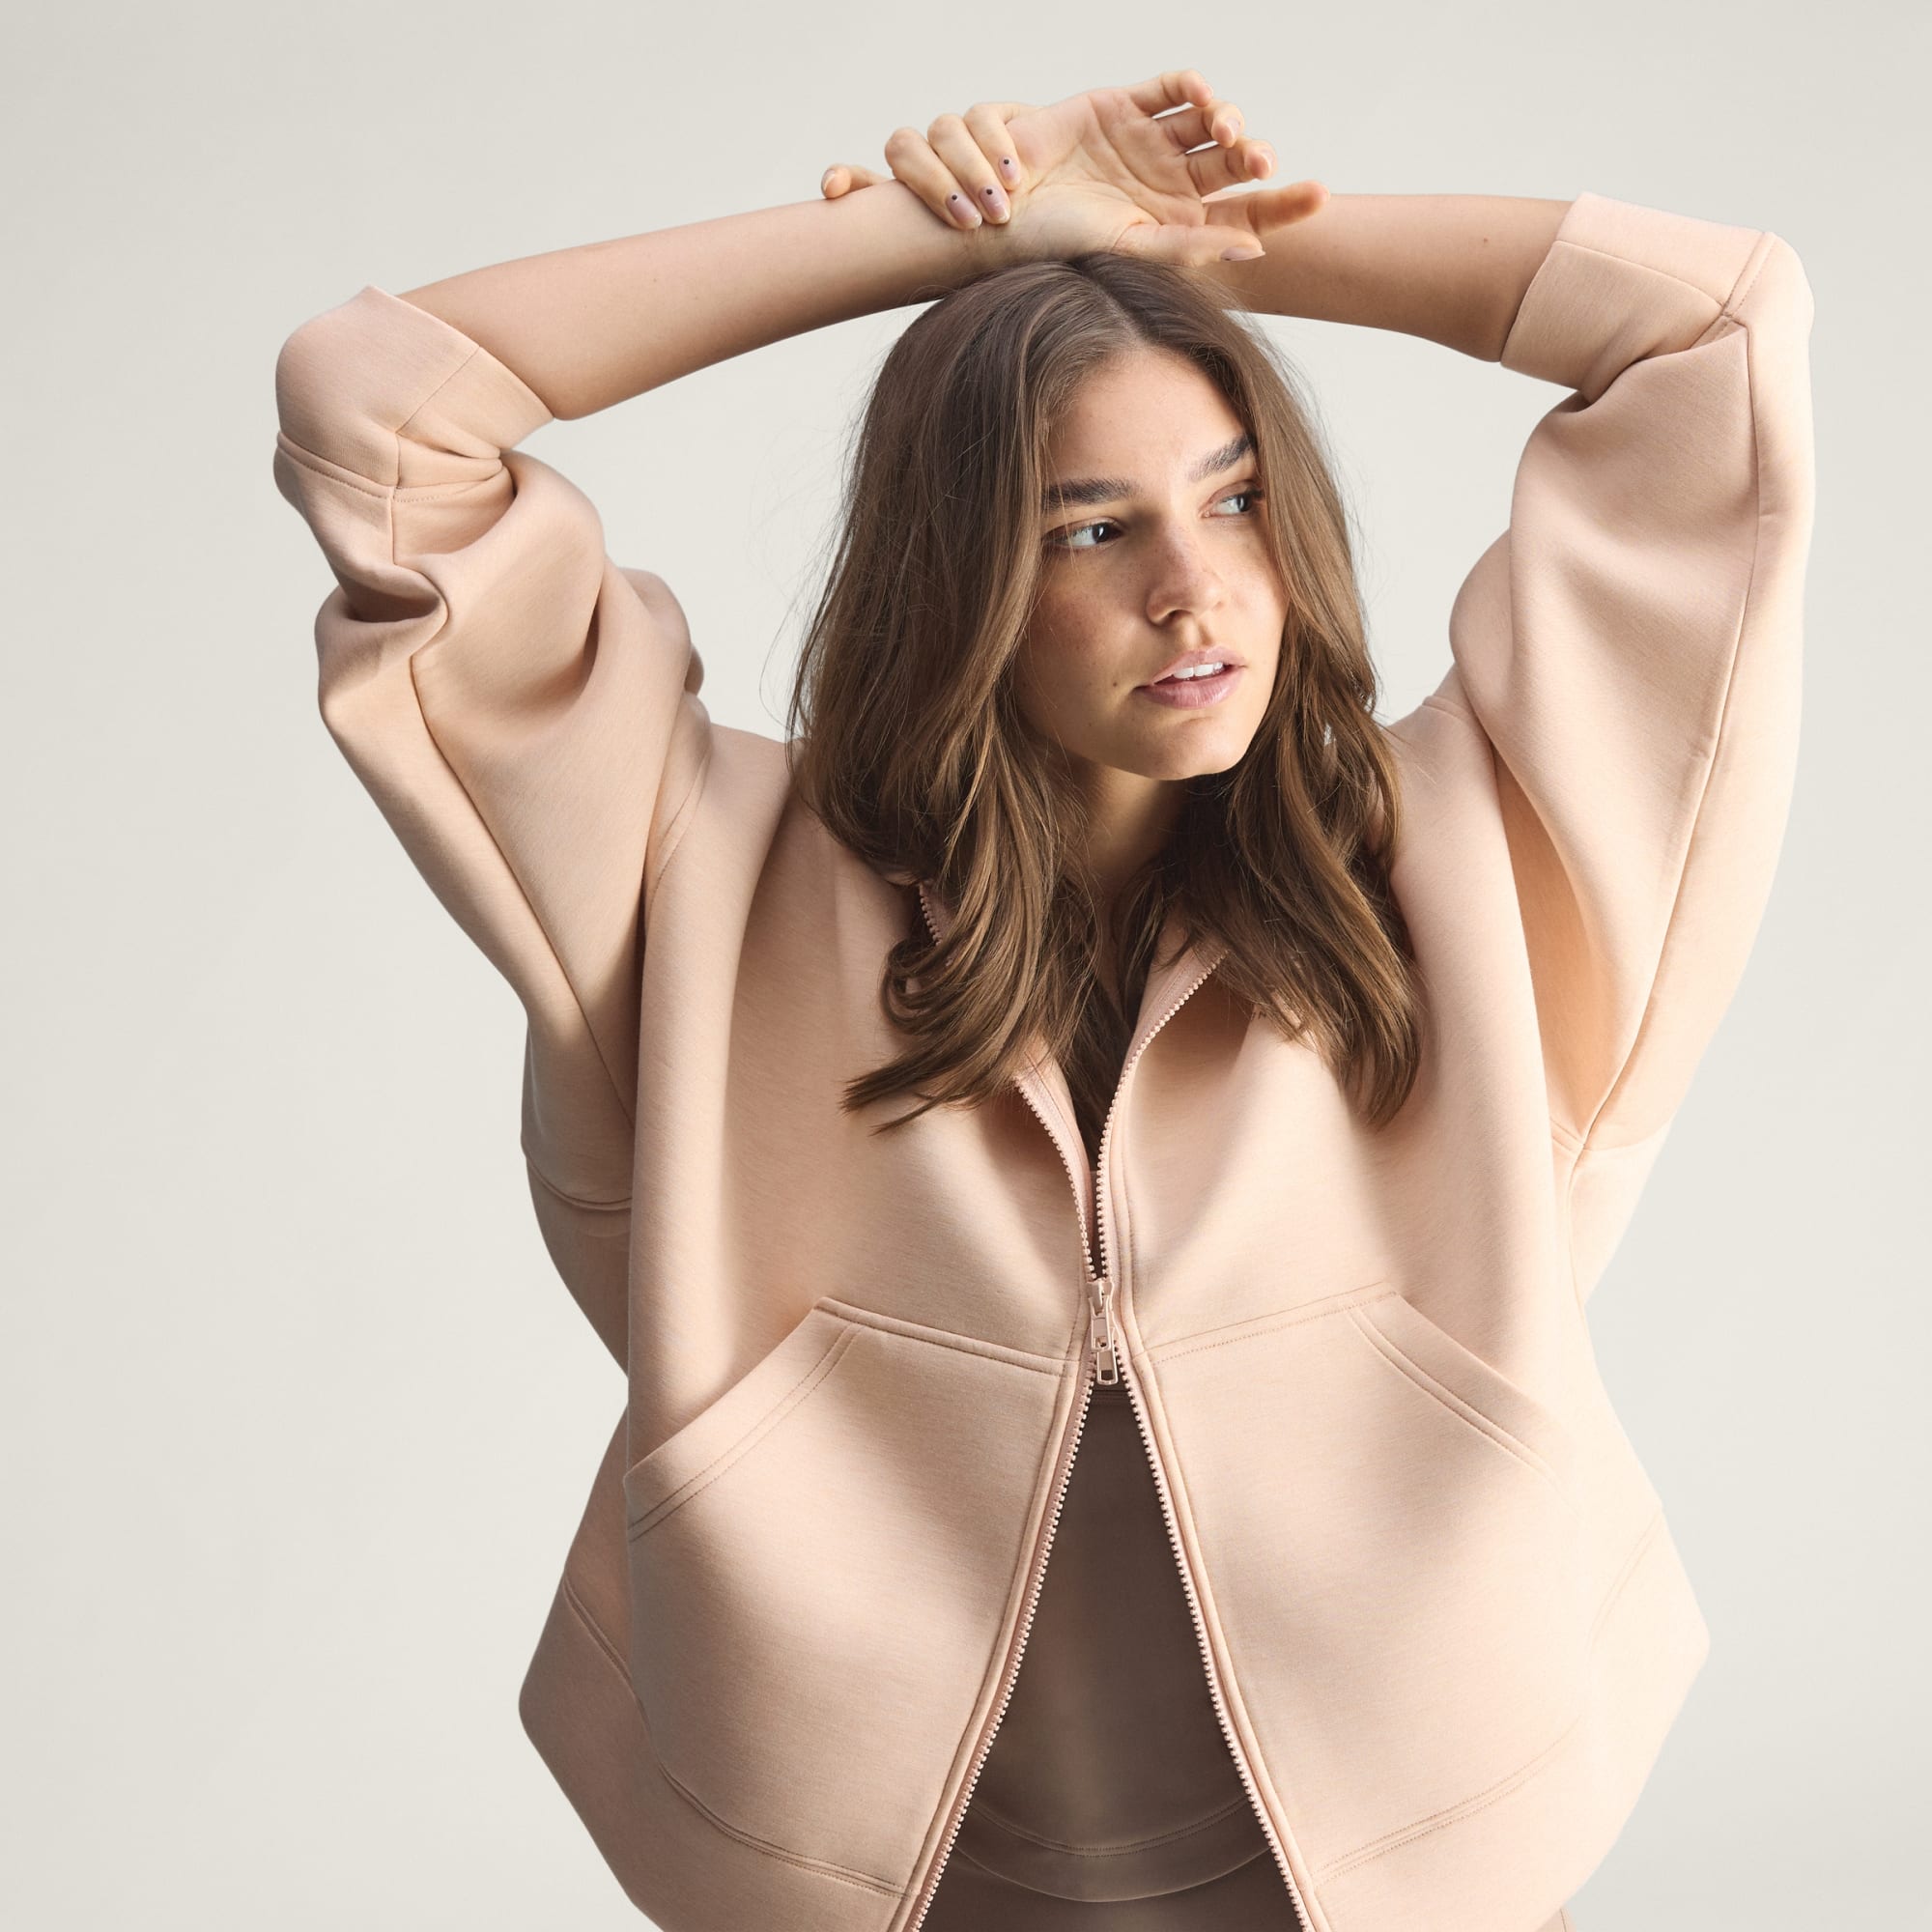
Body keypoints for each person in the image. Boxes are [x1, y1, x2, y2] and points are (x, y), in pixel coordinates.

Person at [271, 67, 1813, 1932]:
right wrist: (936, 252)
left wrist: (1180, 249)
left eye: (1235, 499)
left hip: (1415, 1874)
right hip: (878, 1890)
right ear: (961, 579)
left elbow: (1713, 329)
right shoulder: (695, 879)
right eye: (1090, 528)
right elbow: (376, 413)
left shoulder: (1475, 866)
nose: (1195, 591)